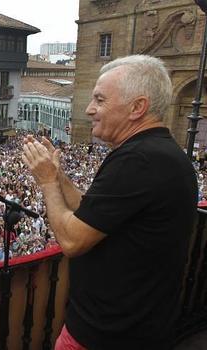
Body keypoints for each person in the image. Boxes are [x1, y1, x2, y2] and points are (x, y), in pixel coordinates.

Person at [22, 55, 198, 349]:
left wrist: (48, 182)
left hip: (106, 334)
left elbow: (71, 240)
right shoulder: (158, 153)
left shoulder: (139, 160)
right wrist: (60, 175)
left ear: (137, 108)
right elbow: (90, 211)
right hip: (140, 327)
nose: (90, 110)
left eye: (100, 100)